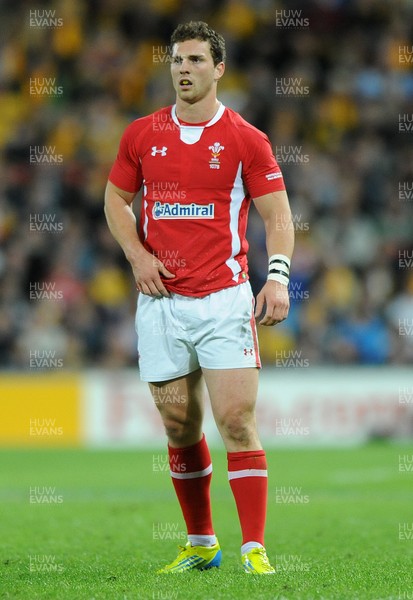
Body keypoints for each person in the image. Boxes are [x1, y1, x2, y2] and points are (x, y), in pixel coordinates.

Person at [104, 21, 294, 575]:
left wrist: (278, 276)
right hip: (160, 300)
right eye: (176, 60)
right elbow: (115, 201)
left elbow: (277, 215)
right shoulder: (141, 134)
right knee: (178, 424)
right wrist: (138, 256)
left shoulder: (245, 138)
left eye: (194, 60)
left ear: (219, 68)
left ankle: (254, 548)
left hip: (224, 300)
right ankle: (201, 542)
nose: (183, 69)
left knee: (235, 419)